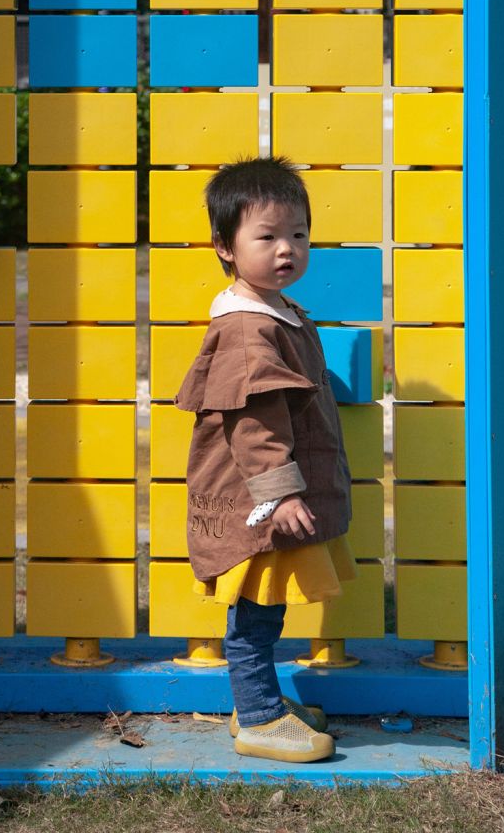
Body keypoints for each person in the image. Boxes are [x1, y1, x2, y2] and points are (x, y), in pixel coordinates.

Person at [175, 155, 354, 763]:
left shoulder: (278, 312)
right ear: (225, 247)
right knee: (254, 614)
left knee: (266, 609)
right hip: (258, 503)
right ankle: (256, 717)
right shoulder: (248, 329)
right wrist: (279, 492)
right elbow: (254, 421)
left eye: (298, 235)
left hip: (271, 498)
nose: (287, 250)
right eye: (268, 236)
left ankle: (260, 702)